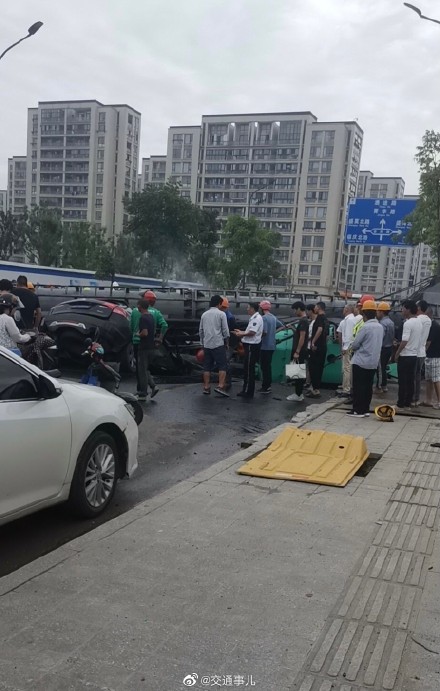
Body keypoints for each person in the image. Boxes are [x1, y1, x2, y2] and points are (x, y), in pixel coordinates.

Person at [347, 300, 383, 418]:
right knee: (368, 387)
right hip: (373, 362)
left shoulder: (365, 327)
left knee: (358, 387)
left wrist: (351, 347)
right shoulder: (380, 327)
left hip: (361, 361)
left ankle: (358, 410)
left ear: (365, 313)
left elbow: (356, 344)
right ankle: (365, 409)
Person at [394, 300, 423, 411]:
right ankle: (407, 403)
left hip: (405, 355)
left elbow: (404, 341)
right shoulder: (419, 322)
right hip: (414, 355)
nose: (402, 311)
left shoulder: (408, 323)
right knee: (410, 381)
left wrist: (397, 353)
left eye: (403, 309)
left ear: (408, 310)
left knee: (402, 381)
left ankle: (400, 404)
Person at [199, 295, 230, 397]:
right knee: (222, 365)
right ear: (219, 304)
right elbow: (225, 330)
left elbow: (201, 330)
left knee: (207, 367)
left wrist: (202, 343)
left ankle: (206, 387)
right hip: (218, 344)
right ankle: (220, 386)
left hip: (207, 344)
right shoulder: (221, 314)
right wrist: (227, 342)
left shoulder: (204, 315)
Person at [234, 302, 264, 399]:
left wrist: (241, 334)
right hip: (251, 345)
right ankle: (247, 390)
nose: (247, 309)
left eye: (248, 308)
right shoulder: (254, 318)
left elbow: (252, 332)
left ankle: (247, 391)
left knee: (248, 369)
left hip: (252, 346)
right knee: (248, 368)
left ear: (252, 309)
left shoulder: (256, 319)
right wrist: (242, 332)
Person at [135, 299, 159, 401]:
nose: (137, 307)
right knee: (145, 369)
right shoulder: (151, 317)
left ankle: (143, 393)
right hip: (151, 346)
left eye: (138, 306)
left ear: (140, 306)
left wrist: (138, 334)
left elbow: (145, 333)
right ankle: (153, 386)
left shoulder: (143, 318)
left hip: (144, 347)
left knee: (142, 371)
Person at [286, 301, 309, 402]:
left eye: (295, 310)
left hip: (299, 350)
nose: (294, 312)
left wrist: (297, 352)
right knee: (295, 372)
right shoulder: (303, 321)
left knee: (298, 373)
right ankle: (297, 393)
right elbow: (299, 334)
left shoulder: (303, 321)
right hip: (298, 350)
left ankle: (298, 394)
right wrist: (292, 328)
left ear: (299, 309)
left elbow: (302, 337)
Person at [306, 301, 327, 398]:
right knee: (319, 368)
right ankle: (316, 388)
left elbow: (320, 329)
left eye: (315, 307)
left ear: (318, 307)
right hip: (323, 346)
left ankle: (315, 389)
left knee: (313, 368)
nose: (314, 308)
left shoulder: (319, 318)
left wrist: (313, 342)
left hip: (316, 347)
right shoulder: (325, 319)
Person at [413, 300, 431, 406]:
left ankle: (411, 397)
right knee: (418, 376)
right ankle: (416, 398)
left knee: (412, 376)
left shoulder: (417, 319)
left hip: (414, 351)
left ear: (419, 308)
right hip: (422, 352)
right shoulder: (428, 320)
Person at [336, 304, 357, 396]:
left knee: (347, 368)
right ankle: (345, 385)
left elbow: (348, 335)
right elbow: (340, 333)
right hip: (349, 346)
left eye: (344, 308)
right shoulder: (348, 320)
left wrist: (344, 347)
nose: (343, 310)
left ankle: (347, 388)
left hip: (348, 346)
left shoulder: (349, 320)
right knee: (346, 368)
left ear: (347, 309)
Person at [258, 300, 277, 394]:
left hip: (264, 346)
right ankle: (268, 385)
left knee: (264, 367)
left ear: (262, 308)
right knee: (268, 366)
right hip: (272, 345)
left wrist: (256, 337)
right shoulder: (273, 317)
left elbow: (264, 332)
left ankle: (265, 387)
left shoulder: (264, 318)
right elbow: (283, 326)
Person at [376, 302, 395, 393]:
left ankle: (380, 386)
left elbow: (380, 337)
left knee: (380, 368)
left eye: (378, 311)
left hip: (382, 348)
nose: (377, 313)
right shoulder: (391, 322)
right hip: (389, 348)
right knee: (383, 367)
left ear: (382, 312)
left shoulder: (382, 324)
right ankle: (384, 385)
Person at [423, 315, 440, 408]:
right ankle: (428, 400)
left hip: (435, 356)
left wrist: (422, 352)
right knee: (429, 379)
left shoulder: (434, 326)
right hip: (430, 355)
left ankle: (439, 401)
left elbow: (428, 343)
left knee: (436, 379)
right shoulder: (431, 325)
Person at [220, 297, 236, 391]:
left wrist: (227, 343)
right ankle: (225, 382)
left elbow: (230, 332)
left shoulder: (229, 317)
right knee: (224, 362)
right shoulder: (226, 315)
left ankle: (227, 383)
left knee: (225, 361)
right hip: (227, 342)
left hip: (229, 343)